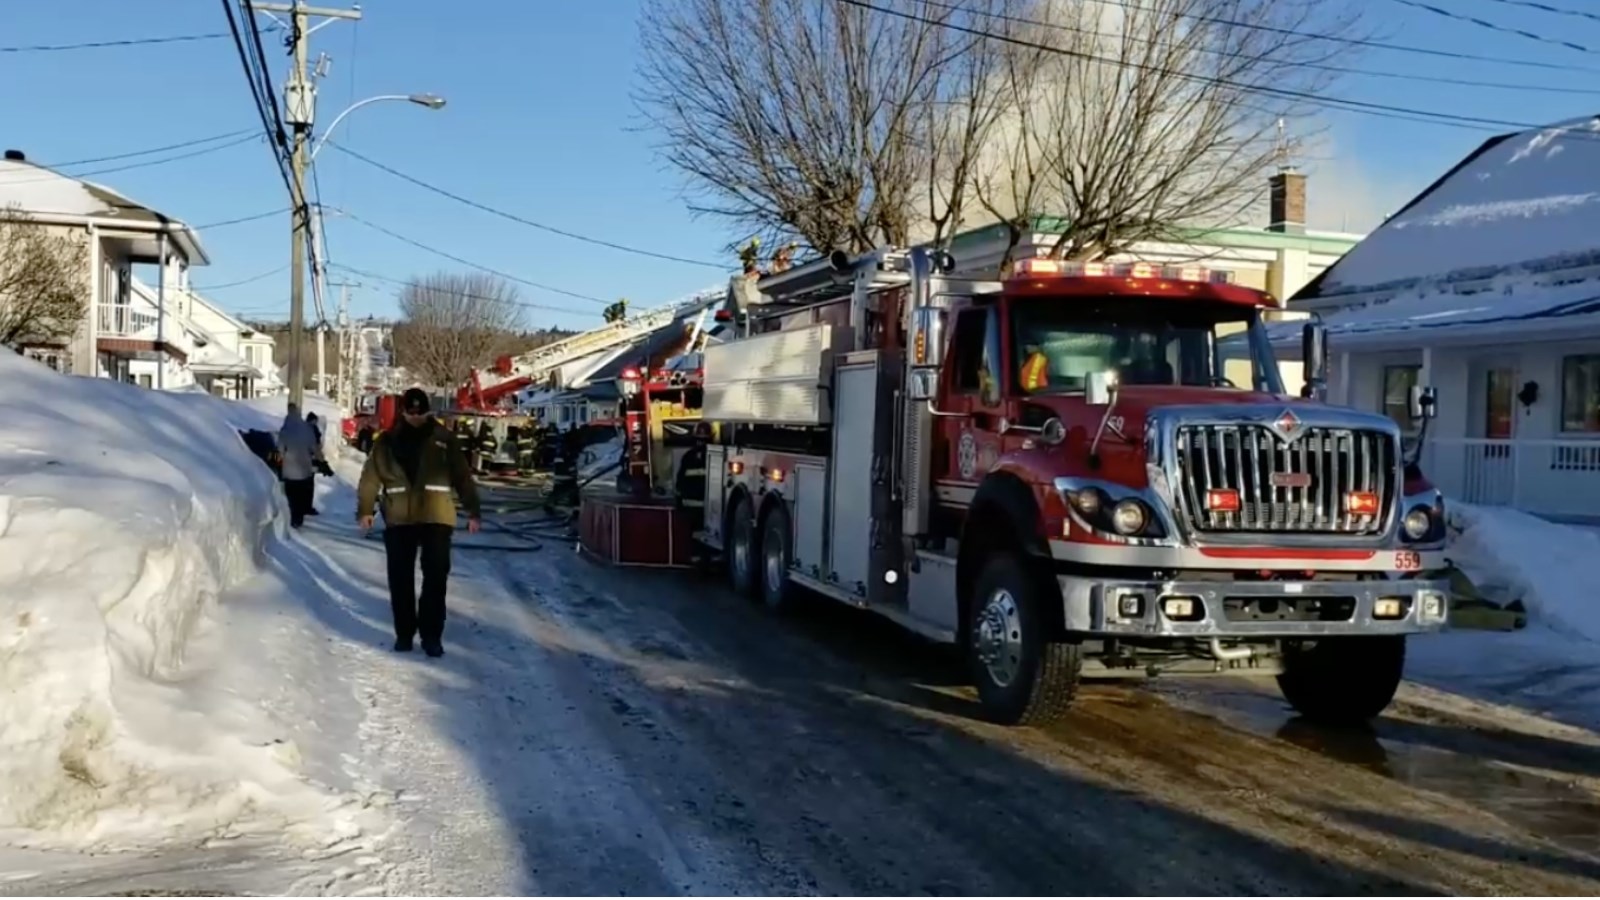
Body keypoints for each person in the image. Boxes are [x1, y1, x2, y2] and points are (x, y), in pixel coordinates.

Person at [356, 388, 482, 657]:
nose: (415, 417)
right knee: (400, 581)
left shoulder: (444, 440)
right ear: (403, 412)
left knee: (435, 579)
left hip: (436, 516)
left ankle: (431, 636)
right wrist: (365, 510)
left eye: (420, 412)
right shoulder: (387, 442)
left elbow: (462, 476)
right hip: (399, 518)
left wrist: (473, 510)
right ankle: (404, 634)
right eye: (410, 412)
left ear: (428, 411)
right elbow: (370, 478)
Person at [277, 403, 322, 528]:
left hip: (289, 470)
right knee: (301, 494)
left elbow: (280, 450)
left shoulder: (285, 430)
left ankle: (293, 517)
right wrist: (319, 460)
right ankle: (299, 517)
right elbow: (314, 447)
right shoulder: (306, 429)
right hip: (304, 469)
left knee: (291, 495)